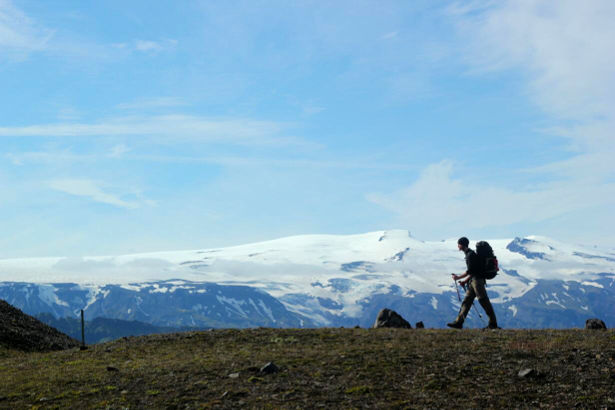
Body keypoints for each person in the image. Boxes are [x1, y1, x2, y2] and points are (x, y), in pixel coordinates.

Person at [447, 237, 499, 329]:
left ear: (462, 245)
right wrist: (465, 281)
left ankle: (493, 324)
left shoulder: (470, 255)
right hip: (474, 281)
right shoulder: (470, 254)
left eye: (458, 244)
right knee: (467, 301)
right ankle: (458, 322)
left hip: (477, 282)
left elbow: (470, 271)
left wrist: (458, 277)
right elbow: (474, 271)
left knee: (483, 301)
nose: (458, 246)